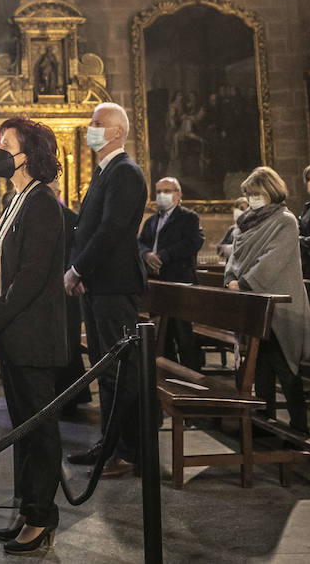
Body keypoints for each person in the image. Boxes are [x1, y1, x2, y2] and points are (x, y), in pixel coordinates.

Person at [0, 117, 67, 554]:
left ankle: (43, 517)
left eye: (5, 144)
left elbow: (30, 277)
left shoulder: (42, 203)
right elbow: (0, 267)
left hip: (33, 333)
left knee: (40, 428)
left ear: (25, 155)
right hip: (16, 331)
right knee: (23, 428)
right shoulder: (17, 199)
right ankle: (29, 509)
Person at [62, 102, 148, 478]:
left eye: (97, 123)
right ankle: (108, 445)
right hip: (99, 285)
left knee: (119, 370)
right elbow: (86, 227)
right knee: (104, 367)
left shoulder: (125, 172)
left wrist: (78, 268)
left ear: (116, 132)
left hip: (114, 285)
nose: (90, 128)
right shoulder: (105, 172)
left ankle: (128, 452)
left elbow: (111, 230)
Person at [224, 166, 310, 434]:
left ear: (270, 191)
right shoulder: (245, 223)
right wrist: (230, 277)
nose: (252, 198)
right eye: (249, 194)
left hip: (280, 306)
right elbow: (235, 257)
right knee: (261, 366)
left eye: (256, 193)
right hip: (254, 305)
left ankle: (300, 430)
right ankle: (266, 423)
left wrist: (241, 283)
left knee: (286, 369)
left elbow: (271, 261)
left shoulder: (285, 221)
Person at [139, 176, 205, 370]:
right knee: (162, 336)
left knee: (184, 335)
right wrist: (146, 254)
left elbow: (193, 242)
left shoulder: (188, 217)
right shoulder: (151, 220)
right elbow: (140, 242)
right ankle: (169, 373)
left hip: (179, 281)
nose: (162, 195)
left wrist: (162, 257)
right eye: (158, 192)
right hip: (157, 284)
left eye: (167, 191)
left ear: (178, 194)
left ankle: (193, 378)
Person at [49, 178, 89, 413]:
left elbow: (78, 251)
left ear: (58, 192)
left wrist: (72, 275)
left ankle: (71, 396)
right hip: (47, 290)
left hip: (67, 289)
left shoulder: (71, 218)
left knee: (69, 343)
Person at [215, 194, 249, 262]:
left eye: (242, 209)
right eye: (237, 208)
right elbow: (219, 248)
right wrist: (227, 249)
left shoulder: (252, 228)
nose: (238, 211)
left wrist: (232, 248)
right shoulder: (232, 229)